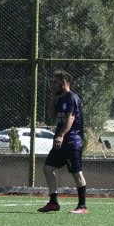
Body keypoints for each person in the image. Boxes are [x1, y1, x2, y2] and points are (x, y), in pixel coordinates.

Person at [39, 69, 89, 214]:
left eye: (55, 82)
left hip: (72, 142)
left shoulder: (72, 98)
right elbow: (51, 115)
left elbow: (70, 119)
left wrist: (60, 135)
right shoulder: (60, 98)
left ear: (64, 82)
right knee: (47, 169)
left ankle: (82, 206)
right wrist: (52, 96)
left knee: (76, 173)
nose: (53, 84)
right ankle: (53, 202)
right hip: (60, 143)